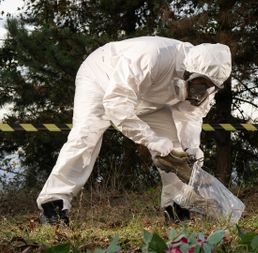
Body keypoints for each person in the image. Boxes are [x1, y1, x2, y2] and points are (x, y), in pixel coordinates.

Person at [36, 36, 232, 225]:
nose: (201, 91)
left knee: (177, 151)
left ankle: (176, 208)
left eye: (208, 87)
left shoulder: (207, 85)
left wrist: (191, 149)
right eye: (200, 84)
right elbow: (117, 104)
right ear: (189, 71)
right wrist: (151, 140)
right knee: (85, 136)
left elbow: (190, 116)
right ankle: (53, 204)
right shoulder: (151, 56)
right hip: (101, 79)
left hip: (148, 99)